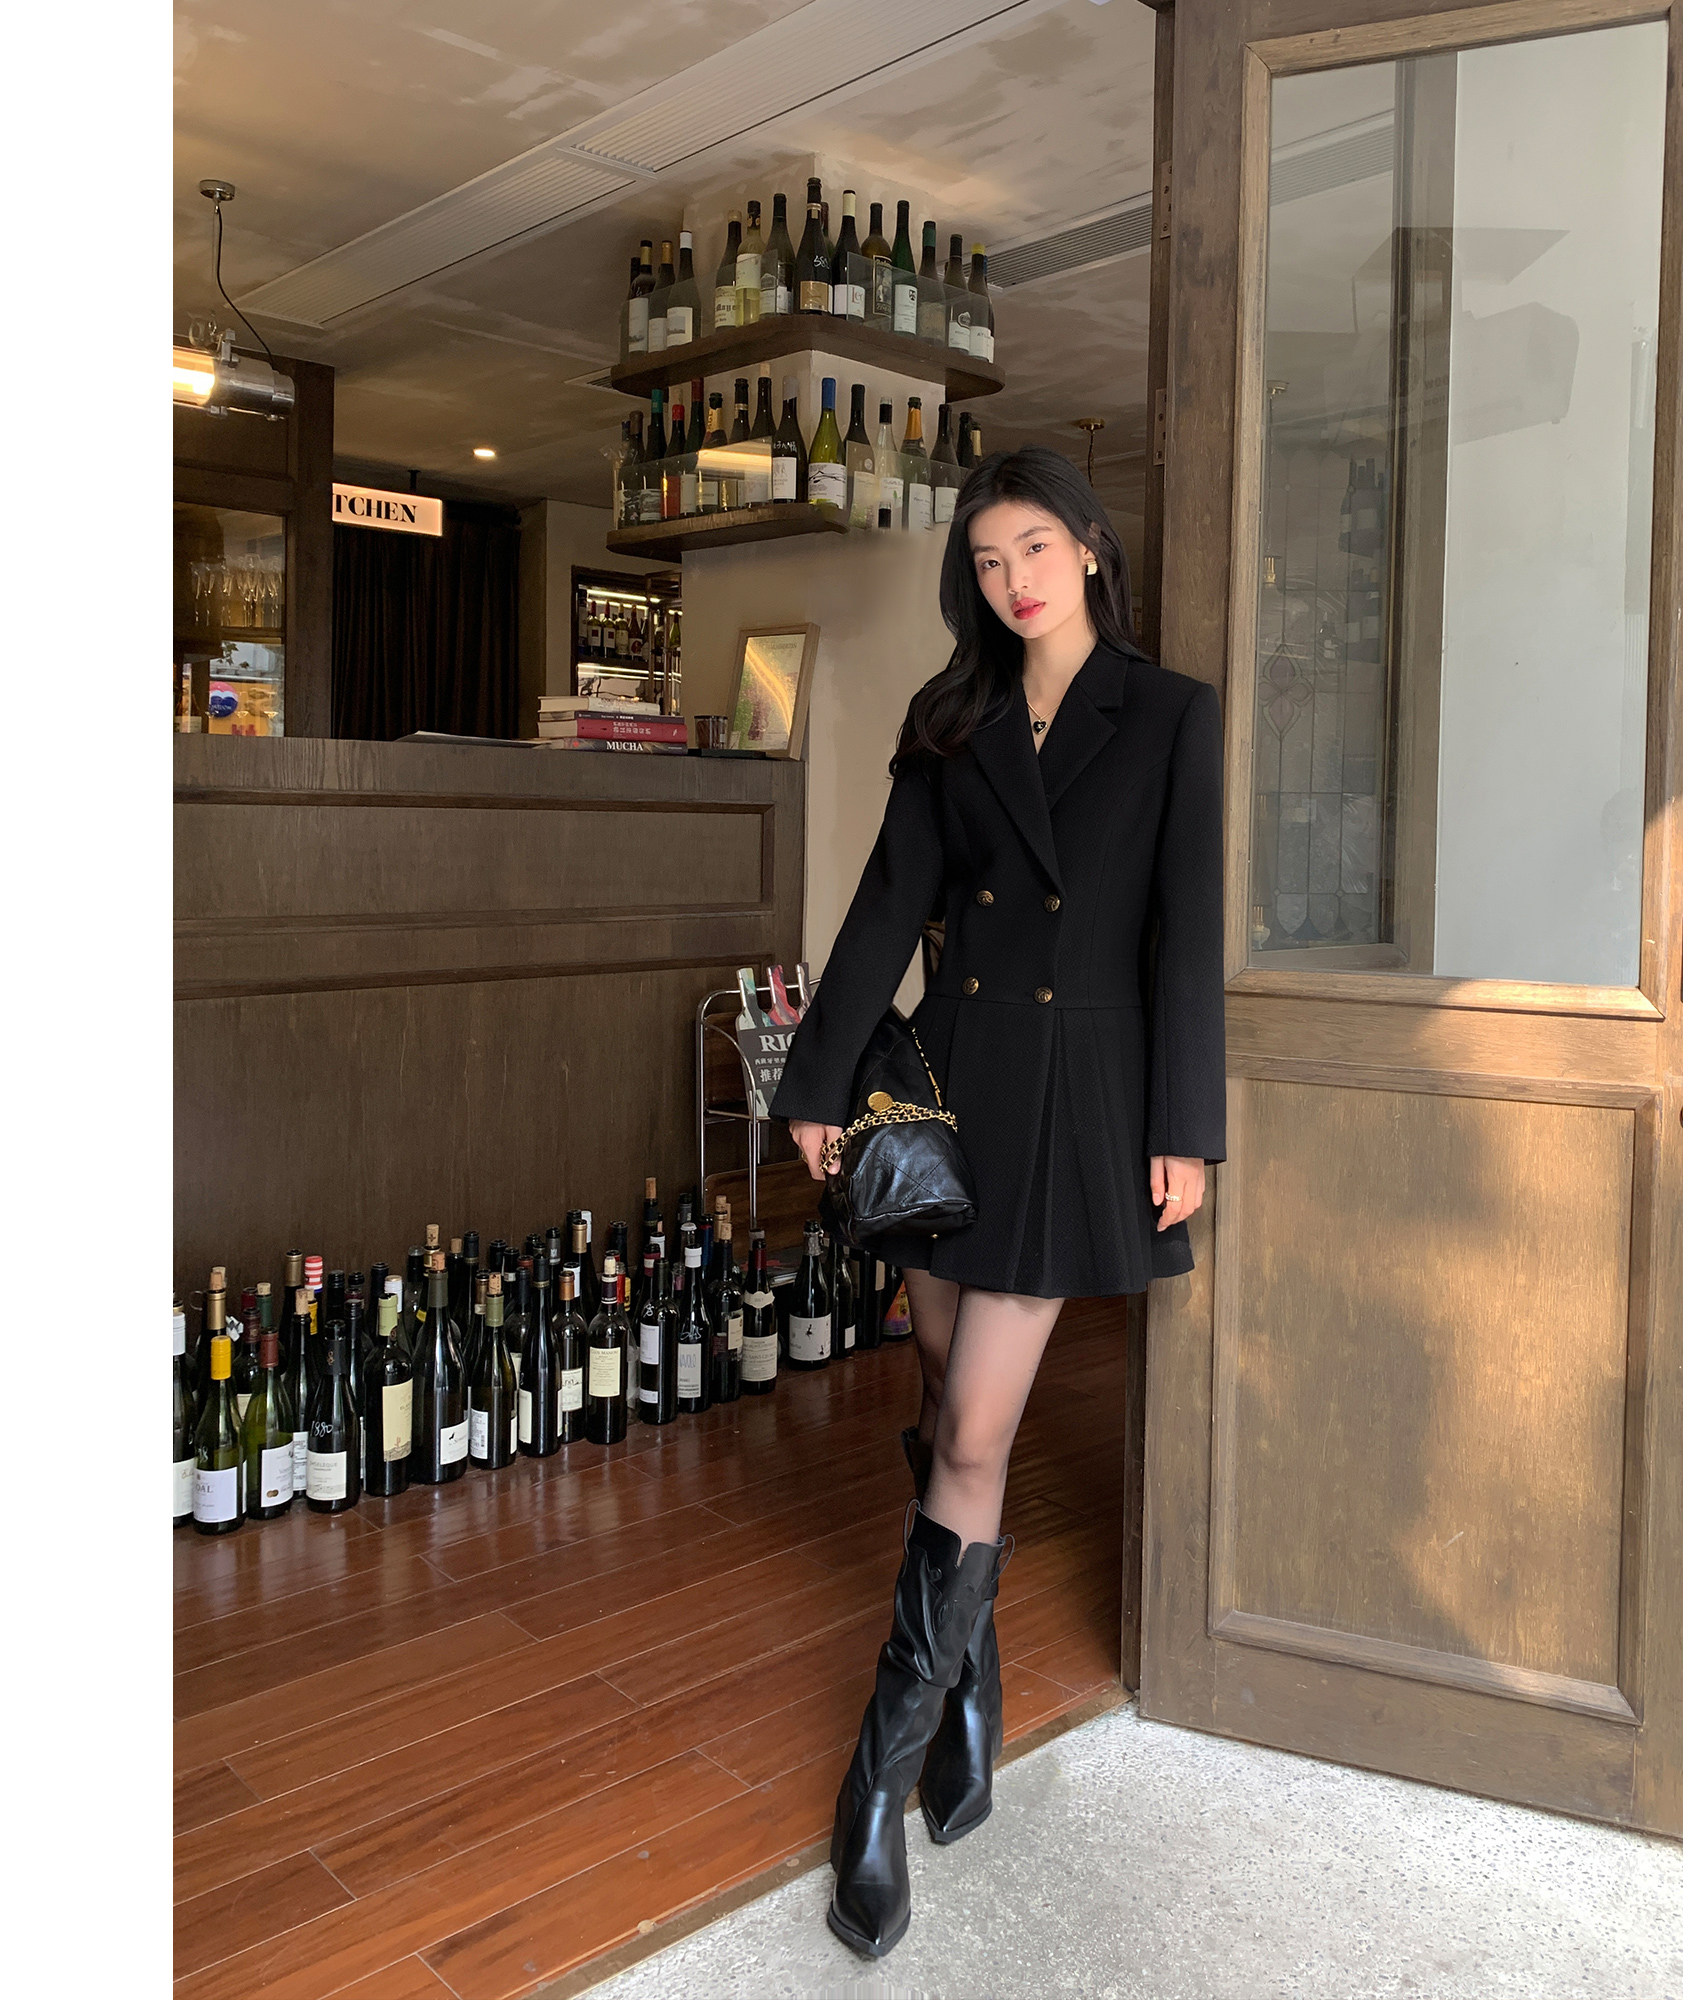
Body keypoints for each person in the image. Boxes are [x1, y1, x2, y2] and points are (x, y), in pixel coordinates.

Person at [768, 444, 1227, 1959]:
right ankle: (968, 1682)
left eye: (1034, 546)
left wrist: (1185, 1126)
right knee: (936, 1379)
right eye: (985, 560)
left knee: (973, 1430)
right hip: (952, 1087)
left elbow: (1183, 935)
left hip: (1076, 1100)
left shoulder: (1170, 714)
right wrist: (818, 1083)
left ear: (1089, 547)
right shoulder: (952, 715)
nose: (1013, 579)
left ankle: (875, 1782)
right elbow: (885, 903)